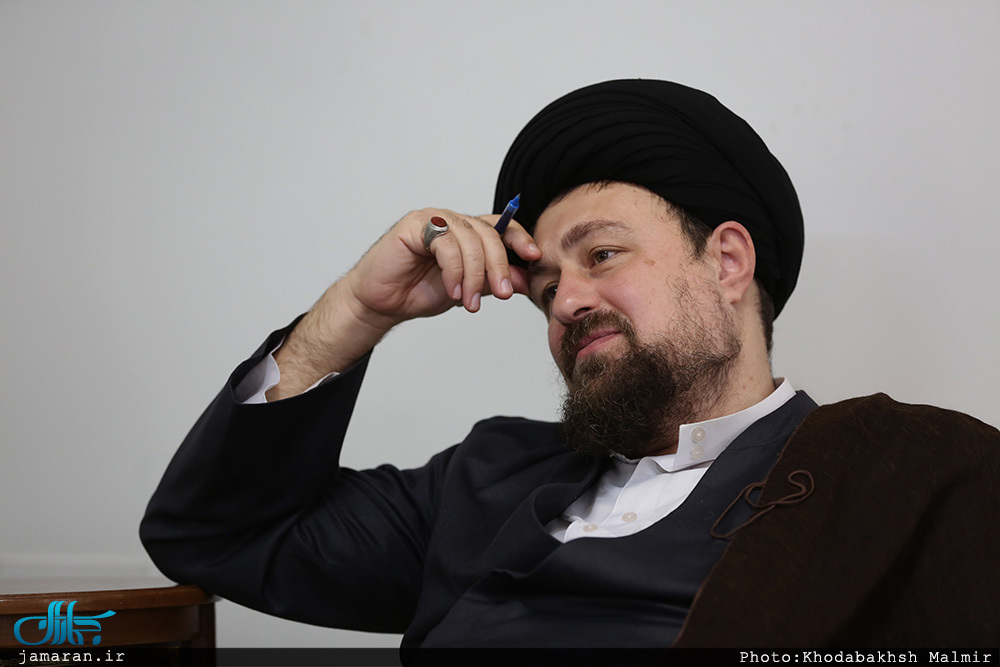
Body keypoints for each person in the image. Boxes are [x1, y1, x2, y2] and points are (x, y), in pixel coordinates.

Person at [140, 80, 1000, 649]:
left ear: (729, 262)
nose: (565, 301)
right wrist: (362, 310)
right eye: (547, 284)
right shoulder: (484, 478)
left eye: (602, 254)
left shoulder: (904, 474)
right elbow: (214, 534)